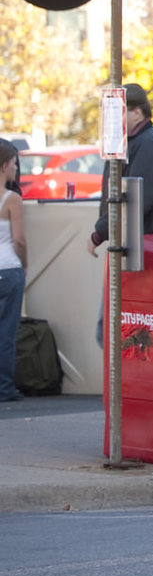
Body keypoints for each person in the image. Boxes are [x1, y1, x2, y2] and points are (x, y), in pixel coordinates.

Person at [88, 83, 153, 257]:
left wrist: (99, 234)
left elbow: (136, 200)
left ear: (136, 113)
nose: (110, 120)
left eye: (116, 113)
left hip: (150, 246)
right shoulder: (143, 141)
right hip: (146, 243)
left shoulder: (149, 145)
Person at [0, 140, 26, 401]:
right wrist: (25, 264)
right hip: (8, 270)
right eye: (15, 163)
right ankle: (4, 388)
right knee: (6, 333)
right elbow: (19, 240)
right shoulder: (11, 199)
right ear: (5, 165)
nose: (17, 169)